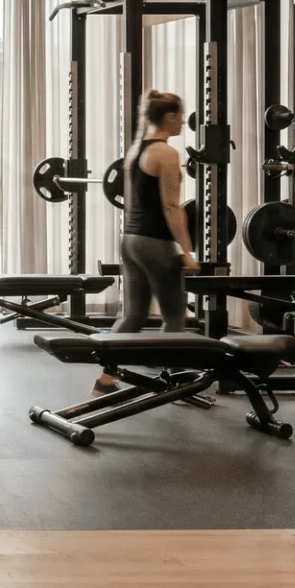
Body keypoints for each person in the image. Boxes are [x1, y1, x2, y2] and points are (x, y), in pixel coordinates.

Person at [96, 90, 199, 396]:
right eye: (180, 115)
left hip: (131, 240)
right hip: (155, 242)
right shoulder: (166, 154)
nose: (183, 121)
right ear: (168, 117)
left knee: (133, 315)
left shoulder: (135, 151)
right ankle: (177, 386)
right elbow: (172, 206)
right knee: (175, 316)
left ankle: (104, 380)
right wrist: (187, 250)